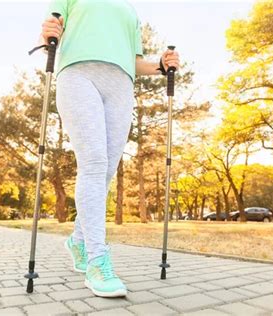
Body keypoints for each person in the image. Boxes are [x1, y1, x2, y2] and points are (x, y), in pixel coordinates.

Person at [39, 0, 180, 297]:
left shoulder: (130, 10)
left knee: (105, 173)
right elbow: (52, 30)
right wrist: (46, 33)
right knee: (92, 163)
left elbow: (134, 61)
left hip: (121, 85)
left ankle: (78, 240)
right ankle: (97, 260)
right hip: (78, 75)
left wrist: (161, 66)